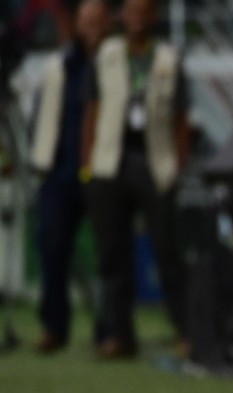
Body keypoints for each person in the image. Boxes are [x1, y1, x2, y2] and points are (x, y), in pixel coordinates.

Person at [82, 0, 190, 359]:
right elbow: (92, 111)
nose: (138, 19)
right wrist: (88, 164)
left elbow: (180, 119)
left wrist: (178, 165)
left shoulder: (168, 59)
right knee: (113, 256)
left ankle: (185, 331)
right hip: (111, 162)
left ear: (154, 18)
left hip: (153, 162)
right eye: (131, 12)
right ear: (121, 17)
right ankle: (119, 335)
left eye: (145, 12)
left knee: (166, 251)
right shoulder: (108, 54)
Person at [29, 0, 110, 353]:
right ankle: (54, 326)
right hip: (60, 170)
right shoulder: (58, 66)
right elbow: (40, 116)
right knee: (51, 249)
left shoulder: (115, 64)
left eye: (97, 22)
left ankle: (108, 331)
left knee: (110, 255)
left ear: (108, 24)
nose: (90, 29)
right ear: (76, 24)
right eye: (85, 22)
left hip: (103, 169)